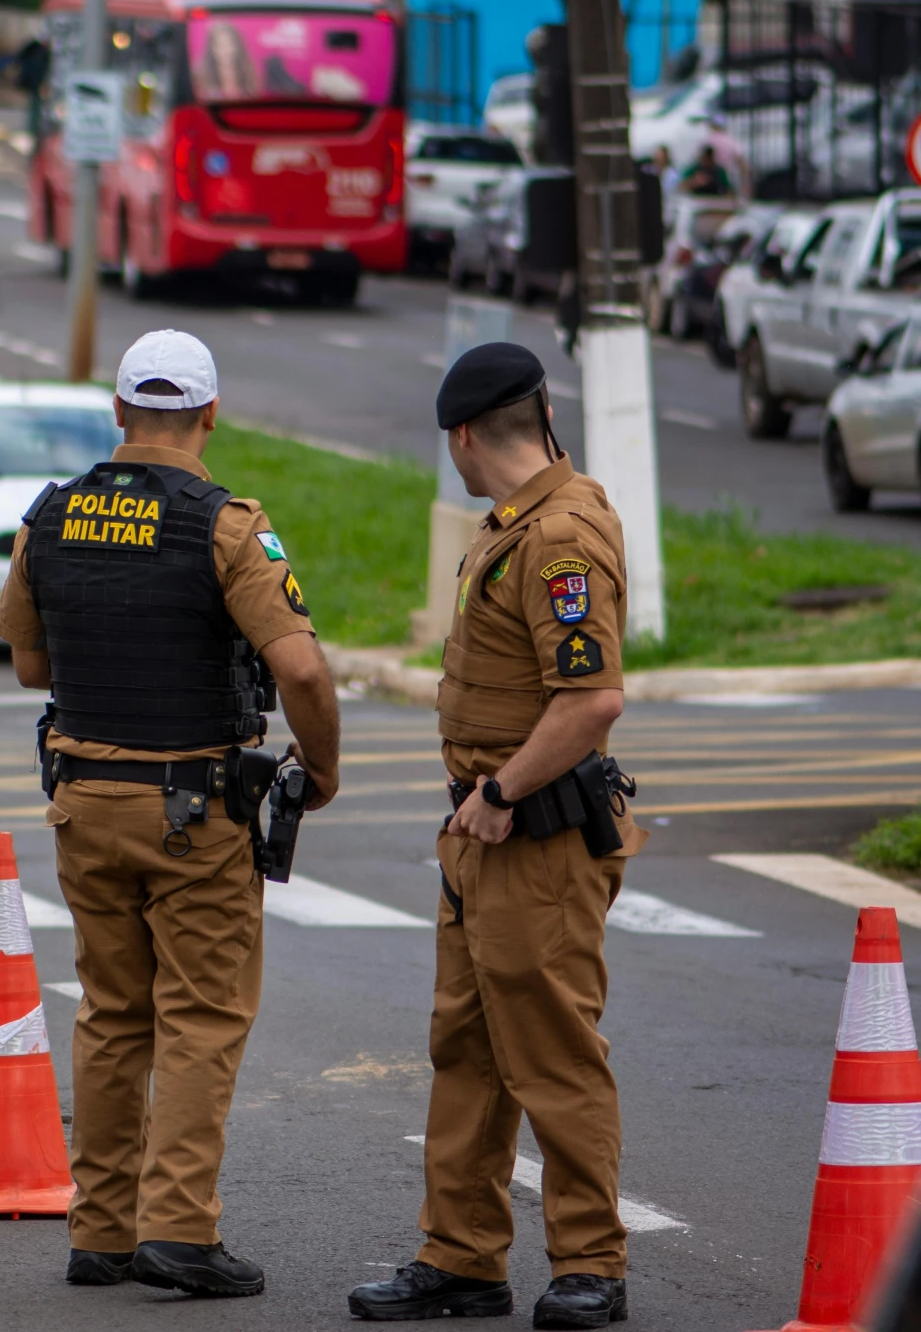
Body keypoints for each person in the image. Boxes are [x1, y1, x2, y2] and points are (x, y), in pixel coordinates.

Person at [0, 329, 342, 1299]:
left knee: (111, 1013)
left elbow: (30, 665)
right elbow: (302, 666)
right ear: (209, 415)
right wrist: (320, 768)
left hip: (82, 799)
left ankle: (101, 1231)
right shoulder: (225, 524)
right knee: (198, 1015)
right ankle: (180, 1230)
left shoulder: (50, 517)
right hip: (192, 812)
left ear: (116, 413)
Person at [349, 342, 646, 1330]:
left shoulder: (558, 538)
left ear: (464, 435)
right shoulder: (517, 525)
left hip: (531, 829)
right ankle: (462, 1257)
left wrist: (501, 790)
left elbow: (591, 700)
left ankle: (590, 1265)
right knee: (467, 1049)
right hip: (485, 832)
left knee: (551, 1049)